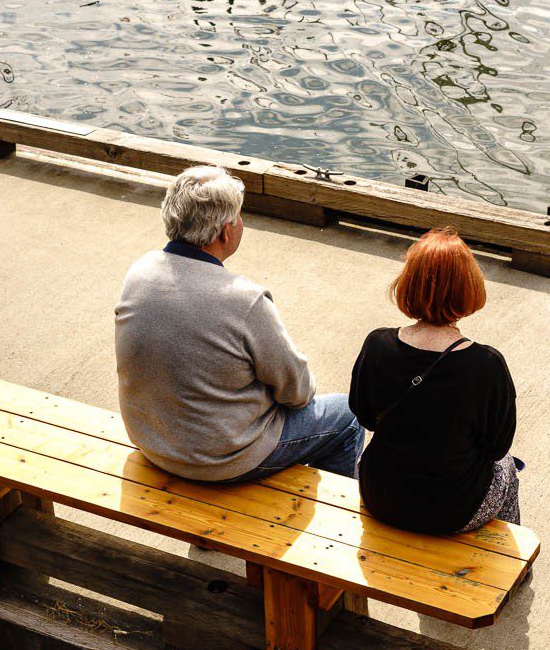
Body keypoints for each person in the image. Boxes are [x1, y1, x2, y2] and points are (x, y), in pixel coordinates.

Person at [115, 165, 364, 483]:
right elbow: (298, 392)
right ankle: (332, 516)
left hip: (153, 441)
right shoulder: (244, 300)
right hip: (220, 460)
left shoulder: (139, 272)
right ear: (225, 232)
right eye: (239, 216)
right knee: (348, 414)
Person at [348, 227, 519, 534]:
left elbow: (365, 417)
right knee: (507, 466)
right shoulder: (487, 365)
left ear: (409, 284)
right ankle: (509, 562)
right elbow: (496, 447)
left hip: (381, 496)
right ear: (469, 288)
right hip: (452, 511)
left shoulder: (377, 345)